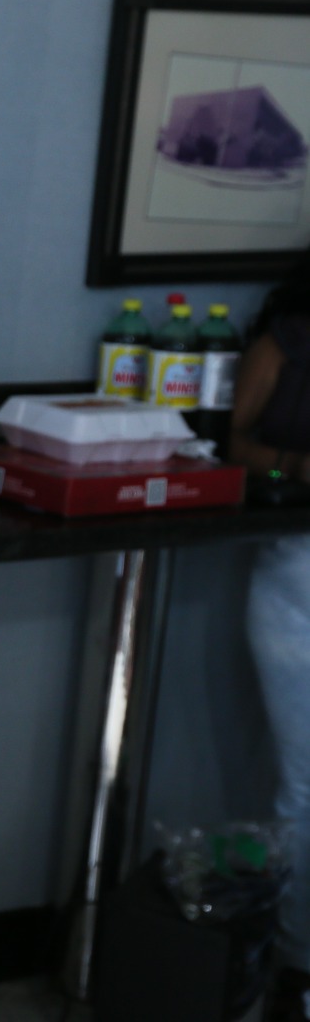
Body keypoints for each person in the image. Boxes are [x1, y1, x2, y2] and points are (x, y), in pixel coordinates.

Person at [231, 246, 310, 1022]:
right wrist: (301, 465)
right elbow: (237, 444)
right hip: (299, 566)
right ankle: (296, 965)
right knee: (307, 782)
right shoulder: (288, 337)